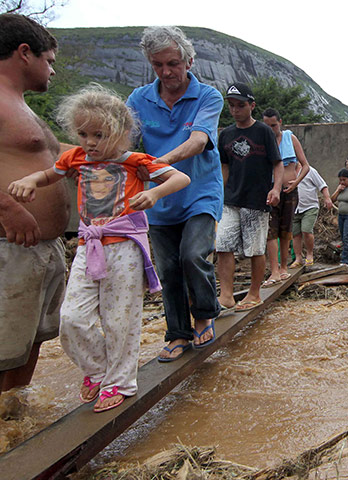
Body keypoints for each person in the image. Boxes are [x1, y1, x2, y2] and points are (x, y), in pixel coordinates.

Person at [8, 85, 190, 412]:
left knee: (120, 318)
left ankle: (120, 382)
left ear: (120, 133)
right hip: (87, 245)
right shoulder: (76, 158)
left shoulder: (136, 162)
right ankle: (96, 369)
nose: (89, 142)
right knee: (72, 317)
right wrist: (31, 181)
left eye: (99, 134)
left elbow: (179, 179)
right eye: (82, 134)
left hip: (124, 249)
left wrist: (154, 194)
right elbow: (51, 174)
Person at [126, 26, 224, 362]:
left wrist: (158, 163)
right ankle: (178, 333)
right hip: (159, 198)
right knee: (167, 269)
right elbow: (124, 143)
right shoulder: (139, 100)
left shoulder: (209, 96)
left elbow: (198, 141)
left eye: (173, 63)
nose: (166, 72)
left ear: (188, 61)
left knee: (193, 255)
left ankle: (206, 313)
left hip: (200, 192)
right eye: (158, 65)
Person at [0, 14, 70, 392]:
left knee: (31, 343)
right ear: (24, 53)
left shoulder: (20, 105)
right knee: (2, 347)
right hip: (8, 248)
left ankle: (12, 427)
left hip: (43, 249)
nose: (52, 72)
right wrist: (7, 207)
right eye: (50, 61)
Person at [216, 82, 283, 311]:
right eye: (232, 106)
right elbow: (224, 167)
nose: (236, 110)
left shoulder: (263, 131)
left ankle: (254, 294)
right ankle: (226, 295)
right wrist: (219, 192)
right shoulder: (225, 134)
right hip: (231, 199)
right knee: (223, 244)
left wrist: (275, 189)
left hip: (256, 199)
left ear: (252, 105)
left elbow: (278, 164)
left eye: (241, 105)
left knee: (255, 248)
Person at [261, 108, 309, 286]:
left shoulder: (290, 138)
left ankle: (283, 268)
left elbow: (305, 166)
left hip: (289, 191)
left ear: (280, 122)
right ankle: (273, 270)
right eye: (267, 126)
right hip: (269, 190)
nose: (271, 129)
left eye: (274, 125)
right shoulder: (262, 141)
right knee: (270, 230)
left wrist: (295, 182)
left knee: (285, 229)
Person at [289, 163, 332, 268]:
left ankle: (309, 254)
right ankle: (298, 258)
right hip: (294, 208)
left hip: (309, 206)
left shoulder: (310, 171)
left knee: (306, 230)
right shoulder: (288, 172)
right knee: (295, 234)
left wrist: (327, 198)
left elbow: (322, 185)